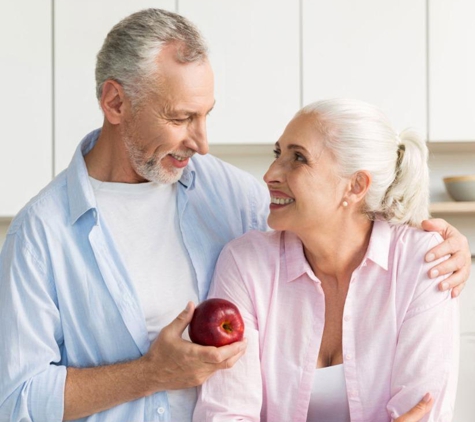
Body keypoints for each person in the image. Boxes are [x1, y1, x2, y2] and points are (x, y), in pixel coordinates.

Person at [0, 9, 469, 422]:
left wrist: (443, 244)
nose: (202, 143)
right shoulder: (40, 235)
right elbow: (18, 400)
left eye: (206, 116)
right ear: (116, 102)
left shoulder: (228, 194)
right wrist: (149, 374)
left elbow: (330, 220)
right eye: (182, 118)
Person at [193, 99, 462, 422]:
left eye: (298, 158)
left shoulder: (424, 262)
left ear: (356, 185)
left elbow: (423, 415)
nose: (270, 174)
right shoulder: (245, 264)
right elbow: (225, 414)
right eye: (278, 154)